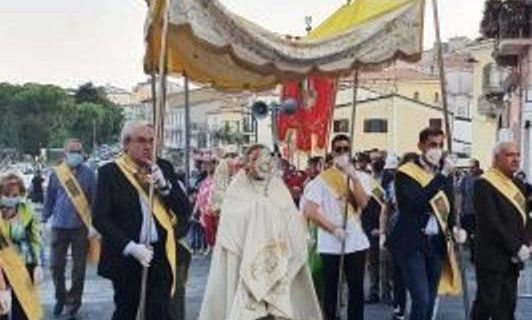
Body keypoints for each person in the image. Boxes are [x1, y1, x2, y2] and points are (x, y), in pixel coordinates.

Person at [199, 144, 322, 320]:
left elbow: (290, 218)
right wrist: (260, 211)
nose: (262, 163)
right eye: (256, 158)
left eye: (266, 158)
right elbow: (230, 220)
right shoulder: (237, 187)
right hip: (245, 260)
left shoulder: (277, 187)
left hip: (279, 258)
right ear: (247, 163)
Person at [93, 121, 190, 320]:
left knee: (160, 312)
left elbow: (184, 209)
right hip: (128, 255)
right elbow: (100, 218)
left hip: (160, 253)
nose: (148, 146)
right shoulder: (110, 173)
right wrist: (130, 247)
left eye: (152, 141)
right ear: (126, 144)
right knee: (126, 311)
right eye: (141, 141)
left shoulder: (162, 167)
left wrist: (165, 186)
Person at [389, 127, 467, 320]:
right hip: (411, 242)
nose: (437, 149)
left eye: (440, 145)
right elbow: (416, 202)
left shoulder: (445, 173)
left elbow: (448, 205)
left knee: (431, 299)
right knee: (421, 299)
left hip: (436, 243)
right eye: (433, 144)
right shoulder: (406, 172)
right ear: (420, 146)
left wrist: (455, 228)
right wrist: (441, 176)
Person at [303, 134, 372, 320]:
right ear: (332, 153)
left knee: (356, 289)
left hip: (356, 241)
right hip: (330, 242)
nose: (342, 153)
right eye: (338, 149)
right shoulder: (320, 180)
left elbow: (364, 203)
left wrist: (354, 178)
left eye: (345, 149)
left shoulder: (362, 177)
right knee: (331, 289)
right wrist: (333, 228)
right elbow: (311, 211)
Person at [470, 141, 532, 320]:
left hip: (513, 258)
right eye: (510, 155)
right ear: (496, 158)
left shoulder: (519, 184)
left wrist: (526, 242)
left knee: (507, 306)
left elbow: (526, 217)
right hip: (492, 256)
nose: (516, 159)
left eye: (518, 155)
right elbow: (491, 222)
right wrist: (516, 247)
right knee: (487, 304)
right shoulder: (483, 184)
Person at [42, 138, 97, 317]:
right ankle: (61, 298)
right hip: (59, 226)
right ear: (65, 153)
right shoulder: (57, 173)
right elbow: (49, 198)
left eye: (79, 151)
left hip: (80, 227)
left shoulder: (89, 174)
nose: (76, 155)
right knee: (56, 266)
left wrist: (95, 224)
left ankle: (73, 304)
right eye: (72, 151)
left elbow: (94, 201)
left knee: (79, 269)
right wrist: (44, 219)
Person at [0, 173, 44, 320]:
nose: (11, 198)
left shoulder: (27, 210)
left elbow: (35, 239)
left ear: (21, 194)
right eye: (6, 194)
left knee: (24, 310)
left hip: (24, 266)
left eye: (15, 194)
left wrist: (38, 264)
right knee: (2, 309)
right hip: (2, 268)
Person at [459, 159, 482, 261]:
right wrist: (460, 209)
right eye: (469, 168)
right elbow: (460, 194)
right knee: (471, 234)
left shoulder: (482, 179)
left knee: (478, 234)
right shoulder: (465, 179)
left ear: (477, 167)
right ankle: (474, 255)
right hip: (468, 211)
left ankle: (478, 255)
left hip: (480, 213)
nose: (470, 170)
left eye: (472, 167)